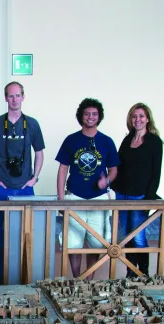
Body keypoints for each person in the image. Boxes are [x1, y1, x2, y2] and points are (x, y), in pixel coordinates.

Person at [0, 81, 46, 285]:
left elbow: (39, 152)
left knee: (25, 235)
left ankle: (24, 278)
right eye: (10, 96)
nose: (14, 99)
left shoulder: (32, 124)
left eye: (18, 95)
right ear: (5, 98)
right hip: (0, 189)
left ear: (23, 97)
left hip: (25, 188)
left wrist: (34, 177)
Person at [56, 98, 120, 279]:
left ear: (99, 117)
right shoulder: (71, 140)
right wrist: (61, 198)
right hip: (74, 197)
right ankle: (77, 278)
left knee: (97, 243)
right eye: (87, 114)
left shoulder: (106, 141)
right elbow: (62, 169)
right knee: (73, 243)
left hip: (98, 200)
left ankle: (88, 279)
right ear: (81, 116)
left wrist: (106, 181)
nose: (90, 117)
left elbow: (114, 170)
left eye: (94, 114)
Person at [113, 103, 163, 277]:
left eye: (141, 116)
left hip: (140, 196)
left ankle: (143, 273)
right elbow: (118, 164)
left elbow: (156, 171)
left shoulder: (154, 142)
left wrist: (149, 197)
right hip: (122, 194)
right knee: (126, 236)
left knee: (138, 236)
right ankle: (130, 271)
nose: (138, 119)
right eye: (134, 116)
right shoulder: (127, 140)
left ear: (147, 118)